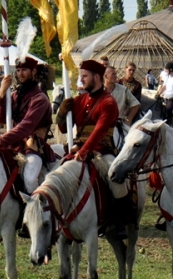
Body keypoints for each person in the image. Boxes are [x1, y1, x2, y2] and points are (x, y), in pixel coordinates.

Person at [56, 59, 133, 237]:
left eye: (84, 76)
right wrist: (61, 113)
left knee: (115, 178)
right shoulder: (79, 100)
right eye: (81, 76)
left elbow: (99, 132)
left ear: (96, 77)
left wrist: (83, 152)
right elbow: (63, 129)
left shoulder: (109, 102)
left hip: (101, 151)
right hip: (77, 149)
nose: (81, 80)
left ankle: (118, 220)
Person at [0, 54, 52, 155]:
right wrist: (1, 94)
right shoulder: (14, 95)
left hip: (33, 146)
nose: (20, 74)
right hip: (13, 143)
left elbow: (27, 125)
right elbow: (1, 119)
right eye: (18, 70)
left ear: (34, 71)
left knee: (30, 166)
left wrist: (2, 139)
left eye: (24, 70)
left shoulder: (40, 98)